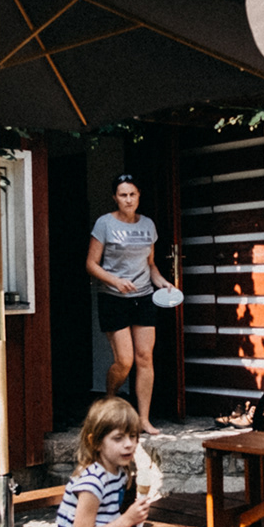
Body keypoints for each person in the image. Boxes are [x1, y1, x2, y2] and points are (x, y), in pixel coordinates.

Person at [57, 397, 199, 527]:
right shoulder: (92, 483)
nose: (129, 444)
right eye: (118, 438)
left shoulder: (117, 472)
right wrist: (127, 520)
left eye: (133, 436)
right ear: (95, 442)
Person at [86, 174, 175, 436]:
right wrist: (115, 281)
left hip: (143, 296)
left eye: (132, 194)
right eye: (123, 195)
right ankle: (109, 400)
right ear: (115, 197)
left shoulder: (147, 224)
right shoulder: (104, 223)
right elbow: (91, 264)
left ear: (138, 196)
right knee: (124, 361)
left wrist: (163, 283)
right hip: (113, 297)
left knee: (145, 357)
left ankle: (143, 419)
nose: (128, 199)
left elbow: (150, 264)